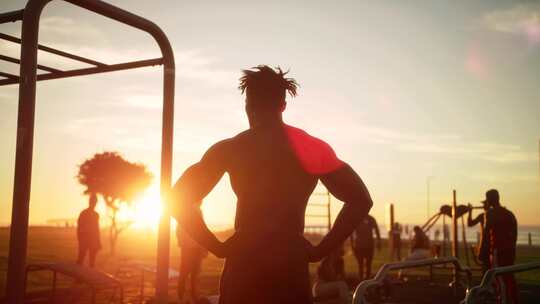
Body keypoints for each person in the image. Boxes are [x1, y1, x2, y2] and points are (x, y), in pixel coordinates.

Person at [171, 65, 373, 304]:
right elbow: (360, 199)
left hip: (245, 262)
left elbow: (177, 198)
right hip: (289, 263)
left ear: (248, 105)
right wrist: (320, 250)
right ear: (283, 105)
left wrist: (216, 246)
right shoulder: (309, 147)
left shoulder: (232, 148)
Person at [478, 189, 518, 303]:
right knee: (509, 277)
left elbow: (486, 234)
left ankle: (503, 300)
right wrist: (512, 248)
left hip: (497, 251)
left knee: (499, 278)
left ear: (490, 200)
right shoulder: (509, 214)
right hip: (510, 251)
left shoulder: (490, 214)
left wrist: (481, 252)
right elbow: (515, 234)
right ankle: (514, 300)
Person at [177, 218, 208, 304]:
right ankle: (184, 297)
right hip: (189, 247)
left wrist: (203, 248)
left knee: (192, 274)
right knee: (186, 274)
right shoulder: (189, 211)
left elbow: (203, 231)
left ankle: (191, 297)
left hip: (193, 247)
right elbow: (203, 231)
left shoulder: (197, 212)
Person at [351, 214, 380, 281]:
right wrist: (352, 244)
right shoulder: (357, 218)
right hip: (359, 245)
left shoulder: (371, 219)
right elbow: (351, 232)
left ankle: (366, 279)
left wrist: (379, 242)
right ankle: (361, 279)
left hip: (368, 245)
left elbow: (377, 230)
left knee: (368, 264)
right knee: (361, 264)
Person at [76, 193, 101, 268]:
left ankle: (88, 279)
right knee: (81, 260)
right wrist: (81, 241)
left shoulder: (96, 215)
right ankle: (78, 278)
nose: (94, 203)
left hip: (93, 241)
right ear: (90, 202)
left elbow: (96, 229)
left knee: (91, 263)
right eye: (93, 201)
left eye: (95, 202)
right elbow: (80, 228)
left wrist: (98, 242)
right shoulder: (84, 213)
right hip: (85, 240)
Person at [468, 200, 490, 273]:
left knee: (488, 269)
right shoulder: (482, 215)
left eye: (485, 204)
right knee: (485, 269)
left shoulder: (484, 215)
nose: (483, 206)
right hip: (485, 246)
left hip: (489, 247)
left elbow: (470, 224)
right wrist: (470, 212)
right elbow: (470, 224)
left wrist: (470, 212)